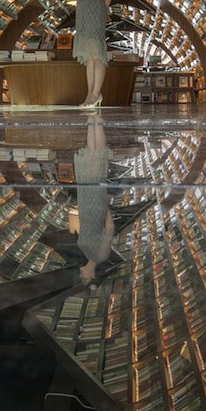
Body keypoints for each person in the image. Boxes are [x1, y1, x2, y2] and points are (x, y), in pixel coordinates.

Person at [74, 118, 114, 286]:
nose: (81, 274)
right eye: (84, 278)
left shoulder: (86, 252)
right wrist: (105, 205)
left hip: (85, 201)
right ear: (92, 276)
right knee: (97, 156)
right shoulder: (101, 256)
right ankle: (95, 117)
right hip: (96, 203)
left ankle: (92, 117)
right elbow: (110, 229)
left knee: (93, 155)